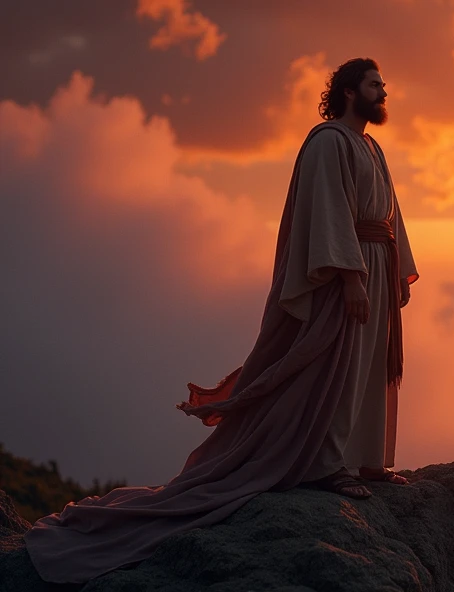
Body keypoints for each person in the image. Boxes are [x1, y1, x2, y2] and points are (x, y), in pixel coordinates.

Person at [23, 57, 419, 584]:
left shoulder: (372, 147)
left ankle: (366, 459)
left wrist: (395, 274)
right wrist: (350, 277)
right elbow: (328, 211)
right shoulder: (328, 142)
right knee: (337, 368)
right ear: (349, 92)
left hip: (374, 264)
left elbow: (391, 217)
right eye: (374, 84)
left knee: (369, 367)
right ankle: (330, 466)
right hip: (346, 273)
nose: (383, 90)